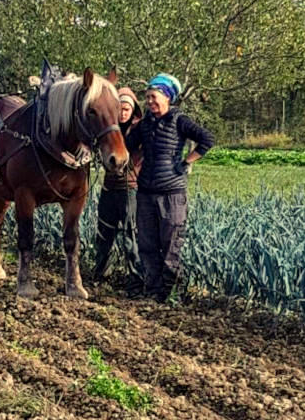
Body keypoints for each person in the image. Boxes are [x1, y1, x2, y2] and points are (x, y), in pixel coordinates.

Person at [124, 73, 214, 302]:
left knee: (171, 244)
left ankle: (171, 292)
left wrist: (186, 162)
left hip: (172, 193)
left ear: (167, 97)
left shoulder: (179, 120)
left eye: (154, 97)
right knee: (146, 244)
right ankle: (152, 290)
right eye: (147, 98)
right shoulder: (145, 125)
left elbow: (207, 140)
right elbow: (127, 144)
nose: (150, 102)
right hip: (145, 192)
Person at [91, 86, 145, 290]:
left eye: (126, 109)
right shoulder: (109, 130)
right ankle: (101, 273)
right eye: (119, 109)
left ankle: (136, 278)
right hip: (109, 186)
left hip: (129, 187)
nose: (123, 113)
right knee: (104, 231)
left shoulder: (140, 129)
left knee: (131, 234)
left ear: (133, 111)